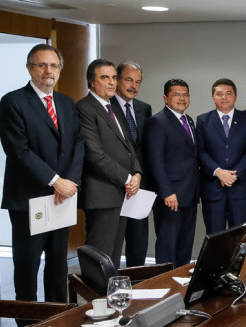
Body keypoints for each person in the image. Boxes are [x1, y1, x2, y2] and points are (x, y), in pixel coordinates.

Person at [0, 44, 84, 303]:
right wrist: (56, 181)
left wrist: (69, 183)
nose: (49, 70)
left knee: (58, 264)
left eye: (54, 65)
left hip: (62, 199)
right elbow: (19, 151)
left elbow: (77, 145)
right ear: (29, 68)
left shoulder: (66, 103)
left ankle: (56, 315)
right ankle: (27, 320)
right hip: (30, 199)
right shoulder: (13, 101)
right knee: (27, 265)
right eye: (42, 65)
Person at [77, 58, 142, 267]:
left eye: (114, 77)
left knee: (113, 258)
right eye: (105, 77)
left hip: (121, 194)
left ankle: (110, 299)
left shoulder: (112, 107)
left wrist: (137, 173)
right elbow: (94, 154)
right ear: (91, 82)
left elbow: (128, 147)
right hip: (102, 195)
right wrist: (127, 177)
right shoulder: (85, 109)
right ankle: (96, 300)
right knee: (99, 257)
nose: (112, 82)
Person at [144, 79, 198, 267]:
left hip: (189, 194)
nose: (182, 98)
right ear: (166, 98)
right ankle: (164, 287)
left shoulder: (189, 120)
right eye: (176, 94)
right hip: (170, 196)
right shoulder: (157, 122)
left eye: (185, 94)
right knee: (168, 247)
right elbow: (155, 161)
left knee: (185, 246)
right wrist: (167, 192)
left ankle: (181, 286)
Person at [196, 78, 246, 234]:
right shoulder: (203, 120)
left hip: (241, 189)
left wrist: (234, 174)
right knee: (214, 237)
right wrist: (218, 172)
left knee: (240, 238)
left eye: (228, 93)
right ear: (213, 97)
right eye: (219, 94)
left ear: (236, 97)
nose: (224, 97)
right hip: (213, 189)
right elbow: (200, 151)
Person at [110, 61, 152, 267]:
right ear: (117, 80)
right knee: (113, 244)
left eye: (138, 81)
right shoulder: (106, 106)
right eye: (128, 80)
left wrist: (139, 176)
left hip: (139, 186)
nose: (133, 85)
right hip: (113, 185)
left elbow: (144, 148)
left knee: (138, 242)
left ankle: (137, 288)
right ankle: (113, 289)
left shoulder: (144, 108)